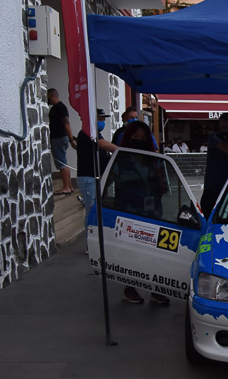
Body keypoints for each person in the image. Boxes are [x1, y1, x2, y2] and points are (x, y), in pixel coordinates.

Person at [114, 120, 171, 306]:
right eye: (135, 136)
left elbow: (164, 185)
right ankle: (129, 289)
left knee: (154, 252)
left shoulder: (154, 160)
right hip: (129, 213)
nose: (139, 140)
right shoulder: (120, 159)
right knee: (131, 252)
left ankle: (156, 290)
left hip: (152, 213)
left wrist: (161, 184)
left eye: (143, 137)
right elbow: (112, 184)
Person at [73, 109, 117, 242]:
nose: (102, 122)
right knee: (92, 210)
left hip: (95, 178)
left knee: (96, 210)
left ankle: (95, 241)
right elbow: (103, 145)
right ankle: (90, 243)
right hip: (88, 178)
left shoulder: (96, 134)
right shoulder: (87, 133)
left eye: (103, 120)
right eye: (99, 119)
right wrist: (120, 150)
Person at [47, 88, 75, 195]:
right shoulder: (55, 108)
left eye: (48, 97)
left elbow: (66, 124)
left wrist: (71, 139)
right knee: (64, 162)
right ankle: (69, 186)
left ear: (52, 96)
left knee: (61, 163)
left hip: (58, 138)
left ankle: (66, 187)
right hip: (58, 138)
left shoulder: (60, 108)